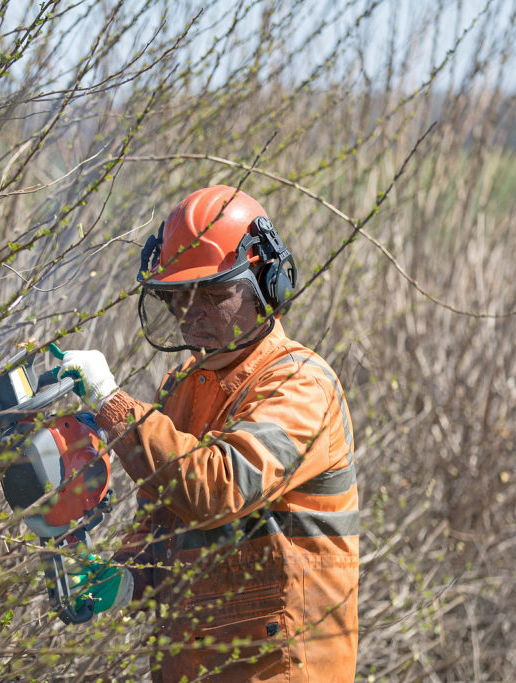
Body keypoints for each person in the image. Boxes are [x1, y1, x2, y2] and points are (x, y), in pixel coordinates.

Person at [58, 185, 359, 682]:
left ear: (266, 282)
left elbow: (217, 487)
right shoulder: (182, 390)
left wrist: (111, 402)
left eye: (213, 293)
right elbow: (173, 530)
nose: (190, 311)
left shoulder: (301, 384)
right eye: (177, 296)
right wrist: (128, 578)